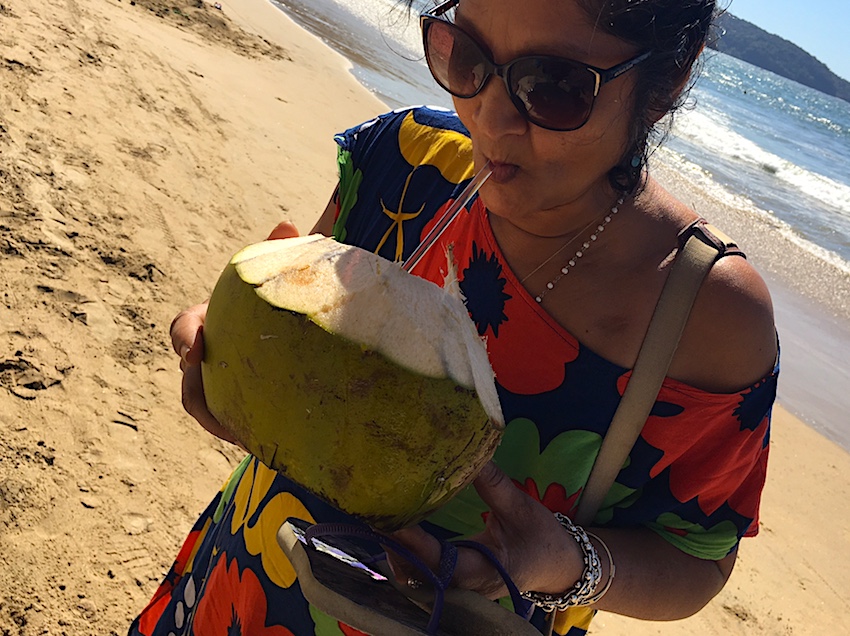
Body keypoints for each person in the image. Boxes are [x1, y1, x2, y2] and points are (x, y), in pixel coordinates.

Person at [129, 0, 778, 634]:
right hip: (246, 579)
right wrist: (225, 351)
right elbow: (289, 338)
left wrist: (562, 560)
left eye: (552, 86)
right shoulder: (407, 161)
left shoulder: (704, 310)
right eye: (465, 56)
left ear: (669, 78)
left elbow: (697, 562)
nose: (490, 120)